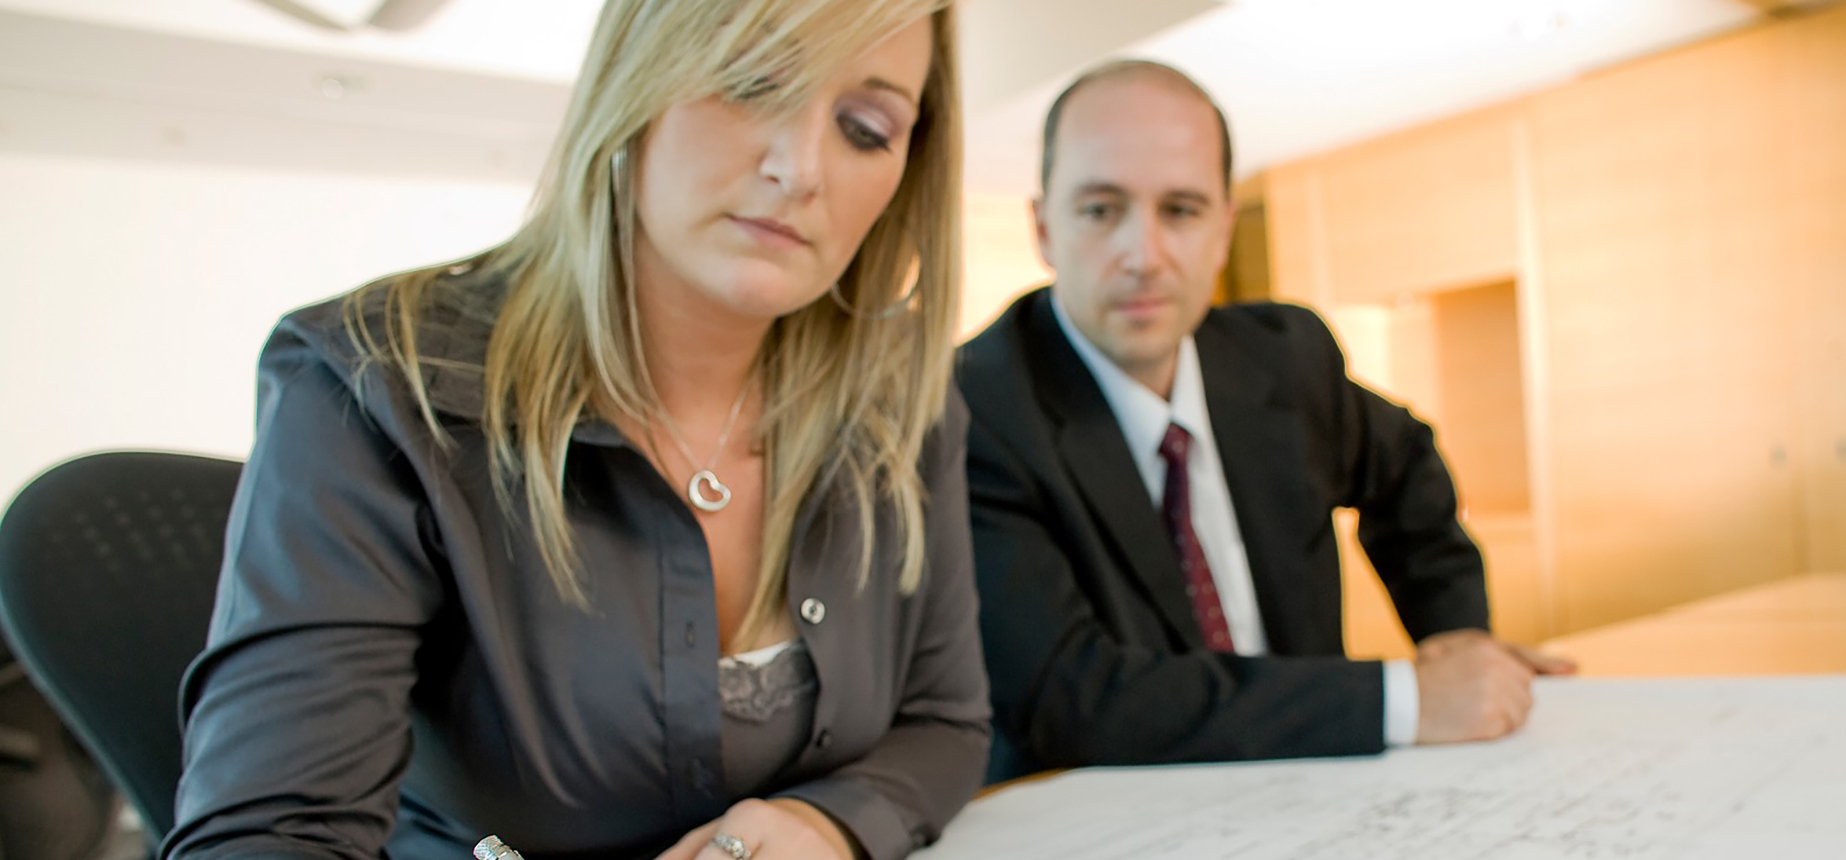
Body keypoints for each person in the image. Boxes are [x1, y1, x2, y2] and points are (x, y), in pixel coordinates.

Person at [163, 2, 986, 860]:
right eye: (749, 83)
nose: (801, 167)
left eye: (864, 128)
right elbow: (272, 836)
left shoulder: (902, 397)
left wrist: (825, 823)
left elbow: (945, 719)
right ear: (636, 82)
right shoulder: (372, 384)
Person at [958, 60, 1574, 781]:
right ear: (1043, 229)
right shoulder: (973, 413)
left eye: (1181, 211)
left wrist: (1454, 636)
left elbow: (1405, 464)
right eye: (1100, 210)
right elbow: (1072, 700)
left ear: (1223, 229)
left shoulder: (1283, 358)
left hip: (1314, 796)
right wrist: (1407, 701)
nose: (1143, 256)